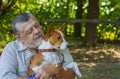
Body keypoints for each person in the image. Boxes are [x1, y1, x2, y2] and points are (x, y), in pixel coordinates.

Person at [0, 12, 81, 79]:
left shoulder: (58, 44)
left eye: (37, 26)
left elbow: (72, 75)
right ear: (19, 38)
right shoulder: (12, 49)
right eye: (29, 31)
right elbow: (4, 77)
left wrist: (57, 69)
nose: (36, 31)